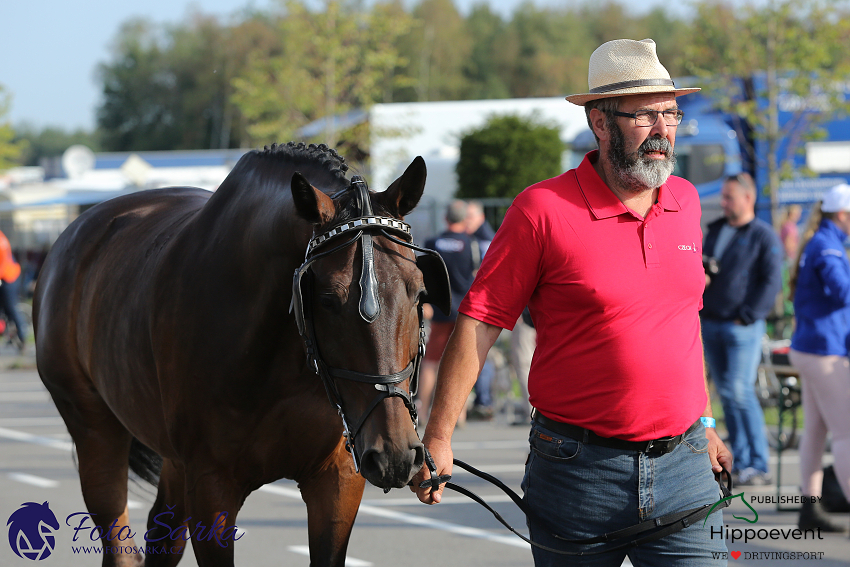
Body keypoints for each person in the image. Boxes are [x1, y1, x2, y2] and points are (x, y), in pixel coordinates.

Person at [412, 38, 731, 566]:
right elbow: (480, 322)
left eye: (670, 112)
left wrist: (707, 424)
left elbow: (682, 323)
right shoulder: (541, 210)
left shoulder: (687, 201)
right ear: (600, 123)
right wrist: (439, 435)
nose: (662, 130)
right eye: (644, 115)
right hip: (578, 473)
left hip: (687, 468)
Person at [701, 173, 784, 486]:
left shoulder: (763, 235)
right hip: (712, 323)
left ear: (748, 198)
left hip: (741, 328)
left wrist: (748, 315)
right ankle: (739, 458)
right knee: (725, 394)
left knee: (739, 390)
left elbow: (772, 280)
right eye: (723, 197)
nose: (723, 203)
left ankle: (758, 463)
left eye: (729, 197)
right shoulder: (717, 230)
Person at [788, 184, 850, 534]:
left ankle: (809, 509)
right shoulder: (828, 245)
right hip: (824, 351)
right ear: (842, 214)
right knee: (846, 434)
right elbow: (843, 292)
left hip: (811, 348)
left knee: (815, 432)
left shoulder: (822, 242)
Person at [418, 200, 476, 422]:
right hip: (465, 311)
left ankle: (423, 411)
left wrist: (426, 303)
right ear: (463, 219)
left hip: (440, 309)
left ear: (445, 218)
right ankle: (459, 415)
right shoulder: (470, 243)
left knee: (431, 363)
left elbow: (424, 276)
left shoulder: (434, 242)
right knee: (460, 362)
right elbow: (476, 273)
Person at [465, 201, 497, 420]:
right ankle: (482, 400)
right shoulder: (478, 237)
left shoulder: (484, 239)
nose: (466, 222)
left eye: (469, 217)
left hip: (487, 306)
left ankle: (484, 400)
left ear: (479, 217)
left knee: (481, 353)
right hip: (486, 304)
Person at [0, 230, 25, 353]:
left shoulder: (1, 240)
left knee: (11, 307)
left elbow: (4, 263)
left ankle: (22, 336)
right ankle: (5, 330)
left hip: (9, 277)